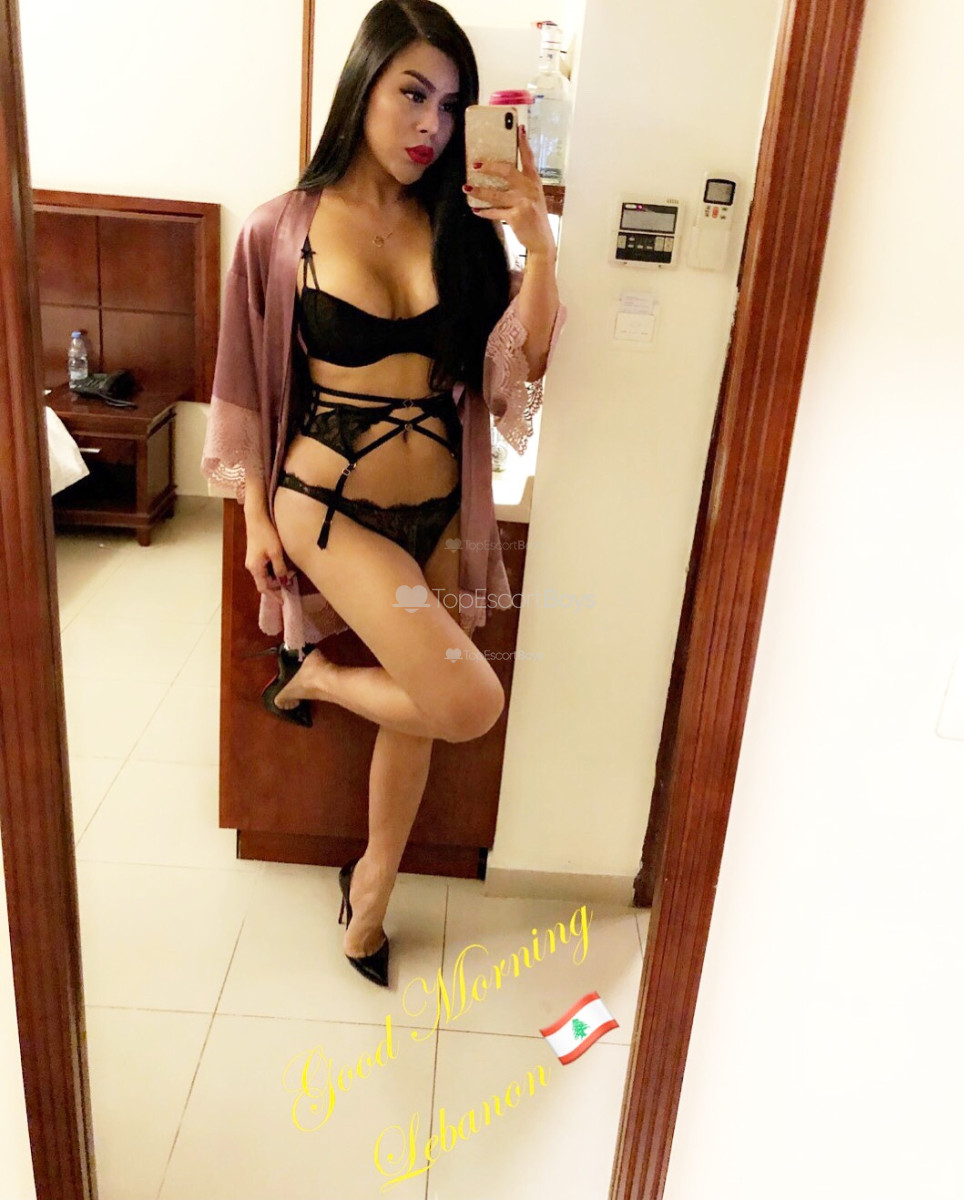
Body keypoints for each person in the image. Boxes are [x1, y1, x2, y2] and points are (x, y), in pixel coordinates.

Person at [200, 0, 567, 988]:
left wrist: (537, 246)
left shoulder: (461, 231)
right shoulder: (279, 229)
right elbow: (242, 383)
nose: (430, 126)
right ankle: (313, 680)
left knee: (422, 707)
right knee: (466, 702)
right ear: (361, 84)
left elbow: (518, 367)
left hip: (438, 509)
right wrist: (252, 515)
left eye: (449, 106)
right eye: (411, 94)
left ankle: (370, 896)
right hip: (326, 507)